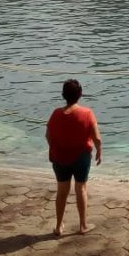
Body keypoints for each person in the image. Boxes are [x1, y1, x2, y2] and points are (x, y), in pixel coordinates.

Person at [46, 79, 103, 236]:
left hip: (59, 156)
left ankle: (58, 226)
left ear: (63, 95)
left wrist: (54, 148)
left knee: (62, 191)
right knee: (81, 188)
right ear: (80, 94)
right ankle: (83, 225)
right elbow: (97, 138)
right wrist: (99, 150)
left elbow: (48, 136)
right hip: (81, 157)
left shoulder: (56, 113)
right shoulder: (87, 113)